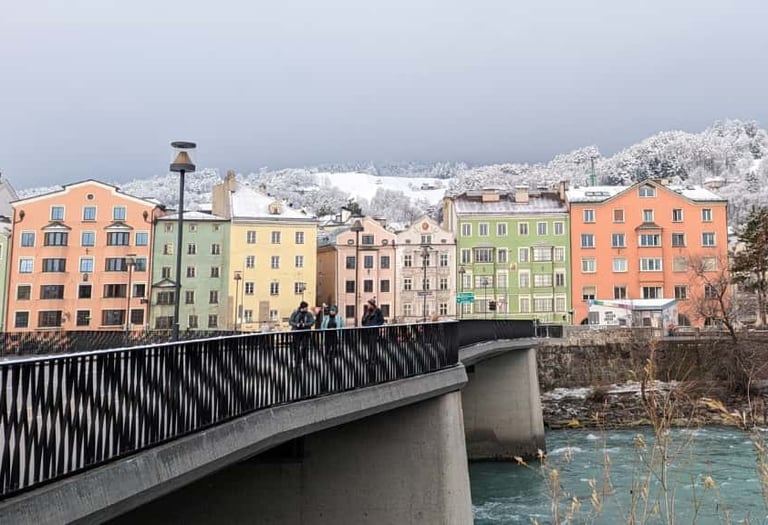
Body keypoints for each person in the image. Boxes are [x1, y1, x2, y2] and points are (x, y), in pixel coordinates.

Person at [289, 301, 314, 366]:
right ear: (302, 307)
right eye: (306, 307)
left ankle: (305, 360)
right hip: (296, 333)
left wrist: (305, 324)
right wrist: (296, 324)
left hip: (305, 333)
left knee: (305, 347)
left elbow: (312, 322)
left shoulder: (309, 314)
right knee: (296, 347)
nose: (307, 309)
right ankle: (297, 360)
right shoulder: (295, 313)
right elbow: (290, 321)